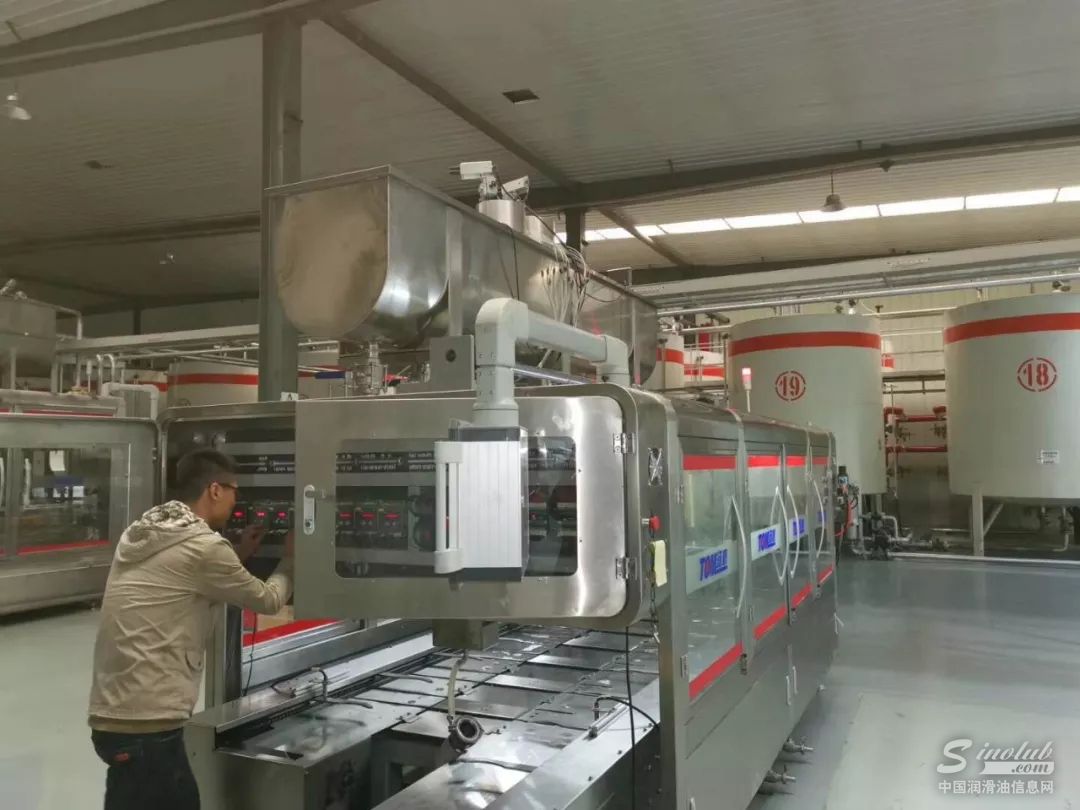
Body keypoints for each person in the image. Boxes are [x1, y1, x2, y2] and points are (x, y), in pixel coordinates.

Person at [87, 448, 293, 810]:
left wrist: (237, 553)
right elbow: (268, 599)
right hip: (149, 725)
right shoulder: (205, 548)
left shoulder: (140, 532)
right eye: (234, 492)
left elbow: (185, 575)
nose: (236, 502)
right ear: (214, 490)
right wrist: (292, 558)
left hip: (112, 714)